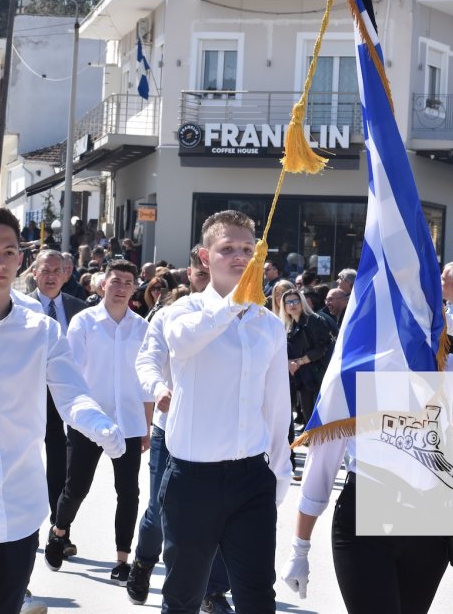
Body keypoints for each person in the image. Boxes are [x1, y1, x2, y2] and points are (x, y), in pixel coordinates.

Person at [281, 311, 453, 613]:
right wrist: (300, 548)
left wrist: (452, 322)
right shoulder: (349, 380)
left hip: (430, 523)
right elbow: (319, 473)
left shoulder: (445, 370)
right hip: (365, 520)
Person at [0, 206, 125, 613]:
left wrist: (99, 424)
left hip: (19, 506)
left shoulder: (42, 330)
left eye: (8, 252)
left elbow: (71, 393)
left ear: (20, 258)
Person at [157, 210, 292, 612]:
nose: (240, 257)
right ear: (204, 256)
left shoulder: (268, 325)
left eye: (248, 250)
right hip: (192, 480)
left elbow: (277, 406)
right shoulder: (182, 313)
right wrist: (234, 303)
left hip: (251, 479)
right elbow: (183, 345)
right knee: (182, 595)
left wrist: (278, 472)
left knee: (256, 596)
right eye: (228, 248)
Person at [129, 245, 233, 612]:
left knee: (220, 517)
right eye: (202, 276)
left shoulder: (244, 316)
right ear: (190, 276)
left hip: (219, 435)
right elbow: (148, 360)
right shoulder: (171, 315)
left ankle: (213, 590)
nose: (210, 284)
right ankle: (143, 561)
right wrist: (158, 389)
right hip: (169, 431)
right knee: (162, 511)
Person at [44, 260, 150, 585]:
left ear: (134, 288)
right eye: (115, 281)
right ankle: (59, 531)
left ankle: (122, 558)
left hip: (129, 423)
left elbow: (145, 378)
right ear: (104, 283)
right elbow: (71, 373)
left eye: (127, 282)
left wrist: (146, 425)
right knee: (76, 487)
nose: (120, 287)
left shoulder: (141, 327)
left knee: (128, 492)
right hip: (89, 421)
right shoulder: (84, 322)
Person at [30, 248, 88, 557]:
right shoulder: (18, 306)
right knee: (22, 463)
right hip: (24, 397)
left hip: (59, 398)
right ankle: (18, 532)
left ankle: (59, 529)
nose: (52, 276)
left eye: (58, 270)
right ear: (34, 273)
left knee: (59, 466)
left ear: (66, 275)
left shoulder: (78, 308)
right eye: (46, 270)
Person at [280, 287, 334, 439]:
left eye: (295, 301)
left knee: (319, 419)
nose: (292, 305)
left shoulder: (314, 320)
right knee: (307, 416)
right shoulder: (288, 326)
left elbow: (322, 347)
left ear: (302, 302)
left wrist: (298, 362)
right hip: (303, 379)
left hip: (319, 376)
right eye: (288, 302)